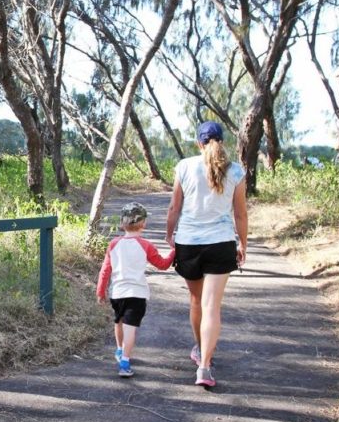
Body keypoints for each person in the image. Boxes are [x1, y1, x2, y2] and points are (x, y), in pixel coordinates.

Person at [165, 121, 248, 388]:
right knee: (212, 305)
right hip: (221, 243)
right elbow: (240, 214)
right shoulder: (235, 171)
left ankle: (201, 350)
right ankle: (204, 367)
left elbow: (174, 207)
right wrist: (243, 243)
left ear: (199, 143)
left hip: (189, 243)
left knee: (196, 301)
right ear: (221, 141)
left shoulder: (184, 166)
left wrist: (169, 236)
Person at [96, 201, 175, 377]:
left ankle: (119, 349)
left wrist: (100, 291)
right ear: (144, 223)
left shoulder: (113, 244)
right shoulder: (146, 245)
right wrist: (174, 251)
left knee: (119, 322)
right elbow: (162, 265)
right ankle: (125, 361)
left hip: (117, 293)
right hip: (137, 294)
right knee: (130, 329)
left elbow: (105, 270)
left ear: (122, 223)